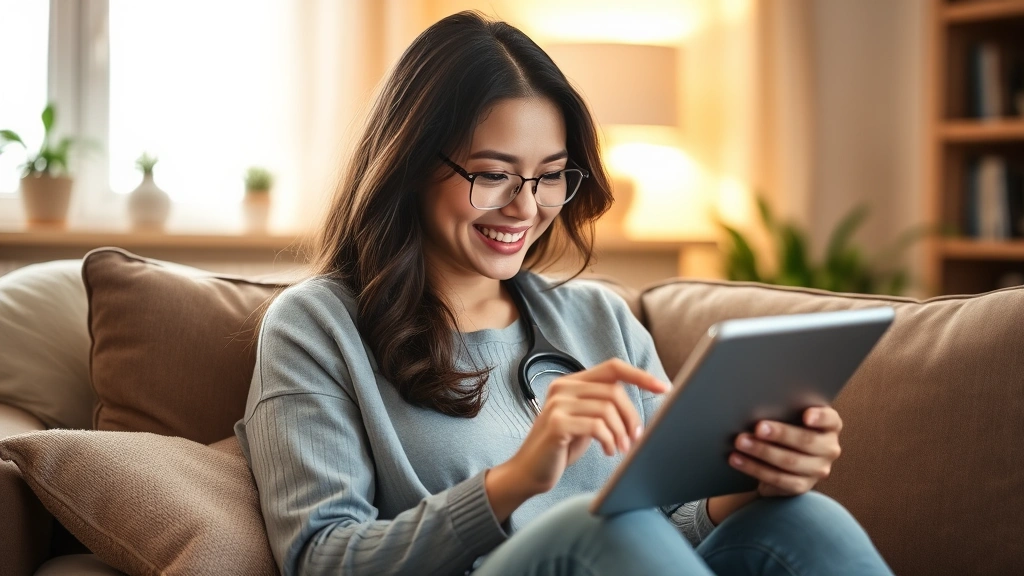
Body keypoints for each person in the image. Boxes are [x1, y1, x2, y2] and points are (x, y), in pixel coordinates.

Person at [234, 11, 893, 576]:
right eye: (494, 175)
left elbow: (666, 529)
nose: (526, 206)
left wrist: (753, 483)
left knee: (802, 518)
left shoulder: (596, 318)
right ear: (409, 163)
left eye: (551, 176)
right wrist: (513, 483)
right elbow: (323, 556)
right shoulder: (315, 326)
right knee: (593, 523)